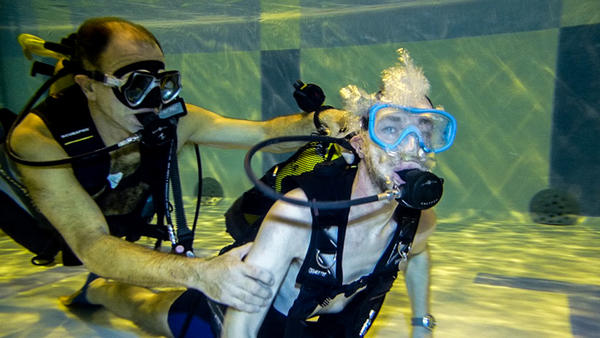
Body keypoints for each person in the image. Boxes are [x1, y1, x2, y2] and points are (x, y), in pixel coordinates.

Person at [74, 48, 455, 338]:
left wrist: (422, 322)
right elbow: (241, 326)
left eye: (425, 130)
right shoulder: (298, 216)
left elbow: (415, 255)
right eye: (391, 128)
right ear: (358, 142)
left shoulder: (417, 221)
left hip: (313, 326)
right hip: (242, 318)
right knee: (150, 312)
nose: (411, 146)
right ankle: (102, 291)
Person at [0, 17, 348, 313]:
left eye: (162, 84)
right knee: (53, 245)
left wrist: (322, 120)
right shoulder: (38, 139)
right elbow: (90, 244)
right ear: (89, 88)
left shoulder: (173, 120)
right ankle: (58, 57)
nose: (154, 102)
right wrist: (199, 273)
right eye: (136, 86)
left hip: (116, 205)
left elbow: (263, 133)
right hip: (40, 219)